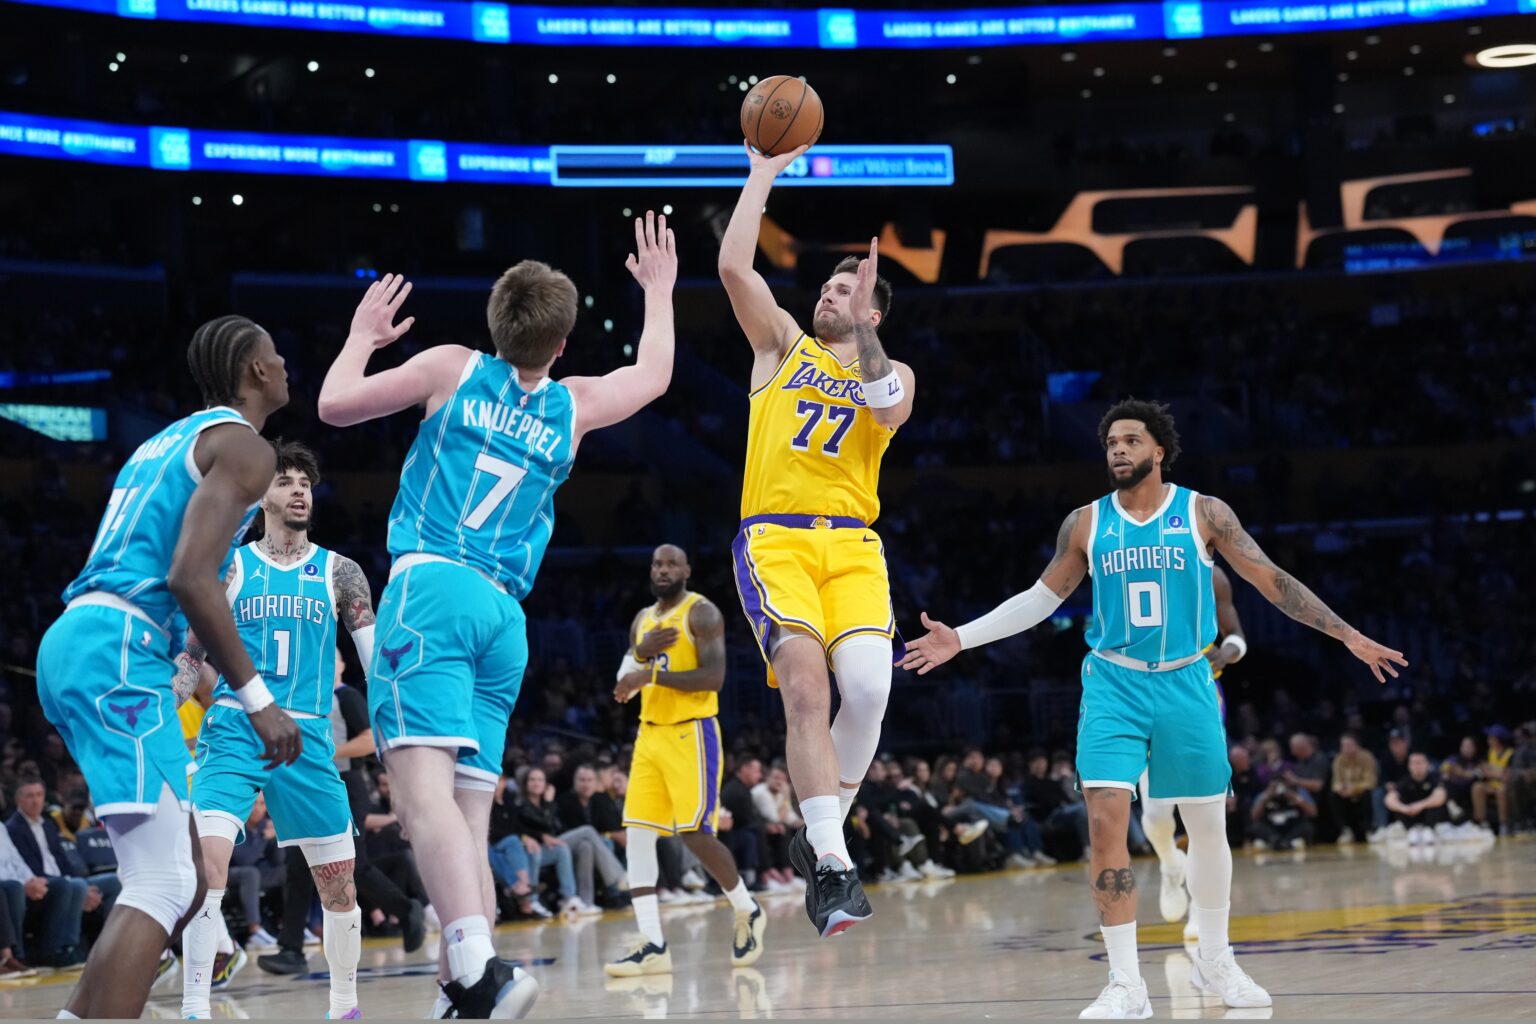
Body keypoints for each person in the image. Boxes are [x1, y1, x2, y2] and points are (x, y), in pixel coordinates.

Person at [901, 398, 1405, 1018]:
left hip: (1187, 680)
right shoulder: (1085, 523)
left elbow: (1271, 581)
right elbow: (1040, 599)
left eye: (1131, 440)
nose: (1117, 449)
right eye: (1111, 441)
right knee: (1106, 821)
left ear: (1158, 450)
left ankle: (1216, 957)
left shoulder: (1204, 513)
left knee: (1209, 826)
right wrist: (963, 637)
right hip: (1113, 684)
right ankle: (1125, 983)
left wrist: (1348, 635)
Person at [317, 211, 677, 1018]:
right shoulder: (574, 405)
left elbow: (335, 404)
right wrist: (657, 290)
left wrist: (362, 333)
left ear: (494, 322)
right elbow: (654, 373)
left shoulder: (451, 367)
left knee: (420, 804)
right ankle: (459, 984)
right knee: (465, 816)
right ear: (559, 345)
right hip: (505, 618)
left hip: (432, 592)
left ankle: (479, 973)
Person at [34, 315, 300, 1018]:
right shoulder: (248, 449)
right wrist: (256, 698)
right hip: (117, 645)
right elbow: (189, 577)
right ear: (254, 371)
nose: (284, 364)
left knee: (174, 864)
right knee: (164, 882)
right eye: (276, 355)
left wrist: (195, 686)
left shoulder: (165, 440)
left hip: (87, 641)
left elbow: (180, 606)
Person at [719, 141, 917, 938]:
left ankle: (818, 829)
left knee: (870, 690)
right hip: (777, 542)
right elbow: (736, 268)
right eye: (831, 286)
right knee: (807, 689)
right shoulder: (779, 347)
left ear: (870, 311)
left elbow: (888, 409)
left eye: (848, 289)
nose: (831, 295)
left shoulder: (891, 365)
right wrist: (763, 171)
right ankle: (832, 863)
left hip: (855, 549)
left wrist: (869, 323)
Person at [172, 441, 373, 1020]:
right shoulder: (230, 566)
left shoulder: (343, 572)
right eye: (285, 481)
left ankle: (344, 1007)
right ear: (261, 494)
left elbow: (375, 661)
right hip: (235, 728)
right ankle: (194, 1008)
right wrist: (157, 717)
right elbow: (190, 661)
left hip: (308, 740)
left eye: (305, 482)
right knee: (206, 868)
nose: (299, 490)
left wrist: (402, 734)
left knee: (340, 888)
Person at [606, 546, 764, 978]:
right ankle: (652, 943)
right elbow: (622, 689)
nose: (663, 570)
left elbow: (714, 679)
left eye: (672, 563)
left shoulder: (703, 613)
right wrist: (641, 653)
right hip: (649, 734)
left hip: (691, 732)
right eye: (657, 563)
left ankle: (747, 910)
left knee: (694, 834)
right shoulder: (642, 620)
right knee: (637, 834)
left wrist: (650, 674)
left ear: (687, 570)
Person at [1139, 562, 1247, 938]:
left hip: (1200, 696)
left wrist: (1227, 653)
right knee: (1154, 817)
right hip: (1147, 698)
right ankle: (1170, 863)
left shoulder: (1213, 577)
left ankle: (1203, 913)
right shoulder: (1136, 570)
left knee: (1207, 818)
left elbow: (1236, 637)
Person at [1385, 752, 1449, 843]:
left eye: (1420, 763)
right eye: (1414, 763)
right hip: (1411, 815)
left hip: (1430, 817)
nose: (1417, 766)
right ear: (1409, 766)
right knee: (1397, 803)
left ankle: (1429, 831)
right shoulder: (1404, 781)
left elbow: (1441, 796)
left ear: (1427, 764)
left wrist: (1421, 805)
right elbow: (1389, 799)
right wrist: (1405, 809)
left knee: (1436, 803)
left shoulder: (1435, 779)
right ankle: (1411, 832)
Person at [1329, 732, 1378, 843]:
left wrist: (1354, 789)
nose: (1345, 748)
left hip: (1361, 792)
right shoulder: (1338, 759)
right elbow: (1335, 782)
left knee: (1368, 793)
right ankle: (1345, 830)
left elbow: (1370, 781)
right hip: (1345, 793)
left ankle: (1369, 830)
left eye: (1349, 745)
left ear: (1357, 745)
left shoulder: (1367, 757)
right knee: (1333, 795)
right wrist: (1341, 789)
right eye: (1343, 746)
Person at [1247, 778, 1317, 849]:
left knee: (1307, 827)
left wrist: (1295, 797)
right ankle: (1284, 843)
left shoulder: (1297, 793)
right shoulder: (1264, 795)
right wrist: (1266, 797)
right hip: (1273, 830)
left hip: (1291, 829)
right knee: (1256, 827)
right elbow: (1254, 817)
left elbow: (1313, 813)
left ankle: (1281, 843)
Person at [1471, 726, 1513, 835]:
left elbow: (1507, 775)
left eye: (1491, 738)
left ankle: (1504, 824)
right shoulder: (1488, 752)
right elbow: (1482, 770)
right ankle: (1481, 823)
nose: (1488, 740)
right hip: (1491, 784)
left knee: (1502, 790)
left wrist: (1491, 770)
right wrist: (1498, 772)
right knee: (1477, 787)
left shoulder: (1511, 753)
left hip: (1505, 785)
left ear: (1498, 739)